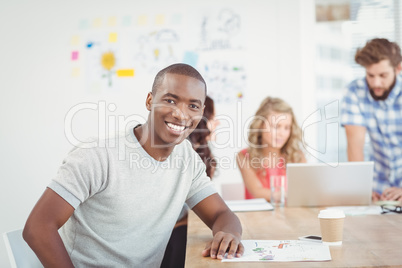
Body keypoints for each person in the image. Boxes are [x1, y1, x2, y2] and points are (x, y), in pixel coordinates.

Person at [23, 63, 243, 267]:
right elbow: (38, 228)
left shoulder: (187, 158)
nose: (180, 113)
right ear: (149, 101)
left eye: (192, 105)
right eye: (170, 100)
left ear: (201, 112)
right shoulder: (97, 155)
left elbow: (221, 214)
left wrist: (227, 234)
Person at [341, 38, 402, 202]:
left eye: (383, 75)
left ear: (398, 69)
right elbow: (355, 146)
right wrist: (362, 189)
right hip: (378, 191)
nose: (376, 83)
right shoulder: (355, 92)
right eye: (370, 75)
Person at [161, 95, 219, 268]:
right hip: (170, 233)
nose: (218, 124)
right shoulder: (177, 152)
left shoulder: (201, 154)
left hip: (184, 225)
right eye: (214, 118)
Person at [236, 97, 306, 201]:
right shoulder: (244, 156)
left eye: (286, 128)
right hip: (257, 216)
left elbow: (305, 189)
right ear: (260, 125)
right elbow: (257, 191)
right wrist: (291, 196)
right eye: (276, 127)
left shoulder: (297, 156)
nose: (282, 133)